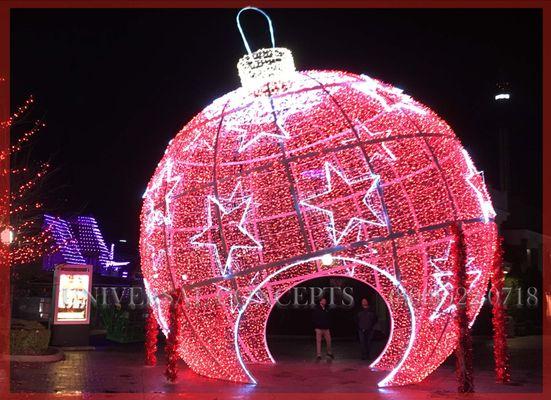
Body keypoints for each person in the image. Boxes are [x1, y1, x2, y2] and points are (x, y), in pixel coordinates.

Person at [312, 297, 334, 362]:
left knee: (329, 341)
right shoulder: (316, 309)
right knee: (318, 342)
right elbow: (314, 318)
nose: (325, 302)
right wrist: (315, 327)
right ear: (320, 302)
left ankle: (329, 353)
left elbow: (329, 318)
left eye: (325, 301)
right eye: (323, 300)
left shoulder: (327, 309)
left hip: (326, 328)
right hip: (319, 328)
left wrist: (328, 325)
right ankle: (319, 355)